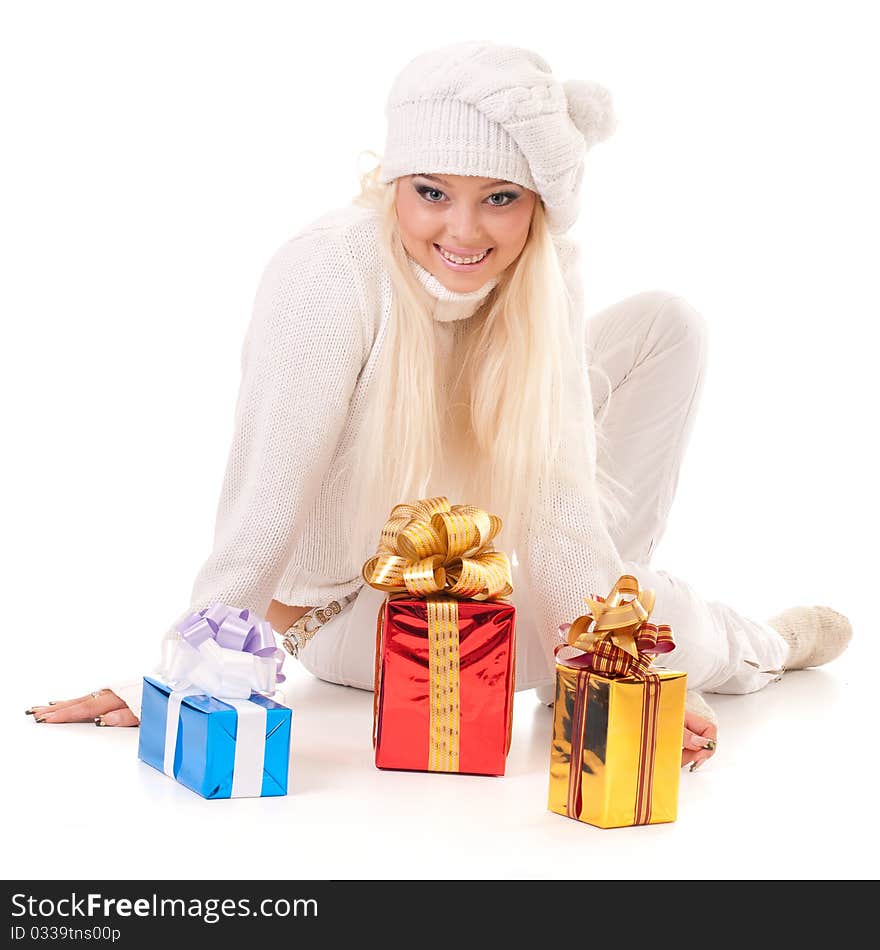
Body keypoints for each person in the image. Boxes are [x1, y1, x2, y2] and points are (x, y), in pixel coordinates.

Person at [26, 41, 851, 773]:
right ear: (394, 185)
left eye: (501, 198)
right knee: (676, 627)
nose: (464, 230)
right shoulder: (329, 276)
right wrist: (188, 677)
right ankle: (759, 646)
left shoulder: (543, 273)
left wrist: (606, 673)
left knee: (669, 324)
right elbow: (264, 501)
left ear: (538, 207)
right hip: (365, 615)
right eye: (432, 192)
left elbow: (561, 499)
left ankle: (598, 631)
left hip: (484, 558)